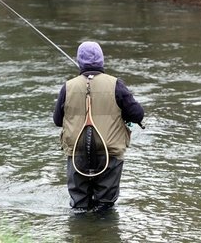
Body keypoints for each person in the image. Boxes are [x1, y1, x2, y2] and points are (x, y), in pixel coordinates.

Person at [53, 41, 144, 214]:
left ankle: (79, 235)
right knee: (105, 207)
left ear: (79, 62)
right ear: (102, 61)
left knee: (79, 206)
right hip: (110, 153)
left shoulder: (68, 87)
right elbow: (138, 114)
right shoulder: (117, 85)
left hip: (77, 153)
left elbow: (57, 120)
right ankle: (104, 233)